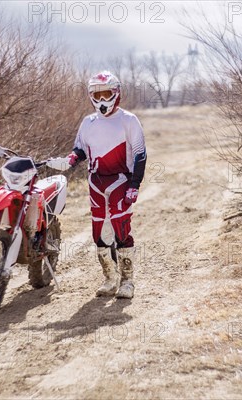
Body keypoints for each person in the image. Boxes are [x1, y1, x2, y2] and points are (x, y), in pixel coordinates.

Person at [67, 71, 146, 299]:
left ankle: (127, 281)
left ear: (116, 92)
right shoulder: (88, 122)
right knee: (99, 234)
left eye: (106, 94)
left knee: (122, 230)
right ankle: (110, 278)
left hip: (121, 181)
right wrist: (72, 158)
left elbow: (140, 154)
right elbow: (80, 148)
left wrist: (134, 184)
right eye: (96, 94)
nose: (102, 100)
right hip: (96, 183)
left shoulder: (129, 120)